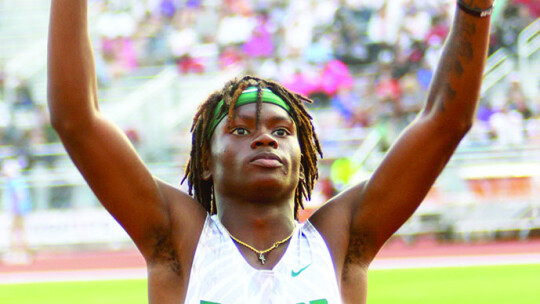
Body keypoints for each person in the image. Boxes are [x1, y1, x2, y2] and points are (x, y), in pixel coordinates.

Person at [47, 0, 493, 303]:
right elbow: (77, 121)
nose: (265, 139)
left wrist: (475, 8)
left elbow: (444, 121)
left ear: (304, 158)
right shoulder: (176, 240)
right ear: (205, 159)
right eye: (240, 131)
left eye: (282, 132)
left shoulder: (342, 240)